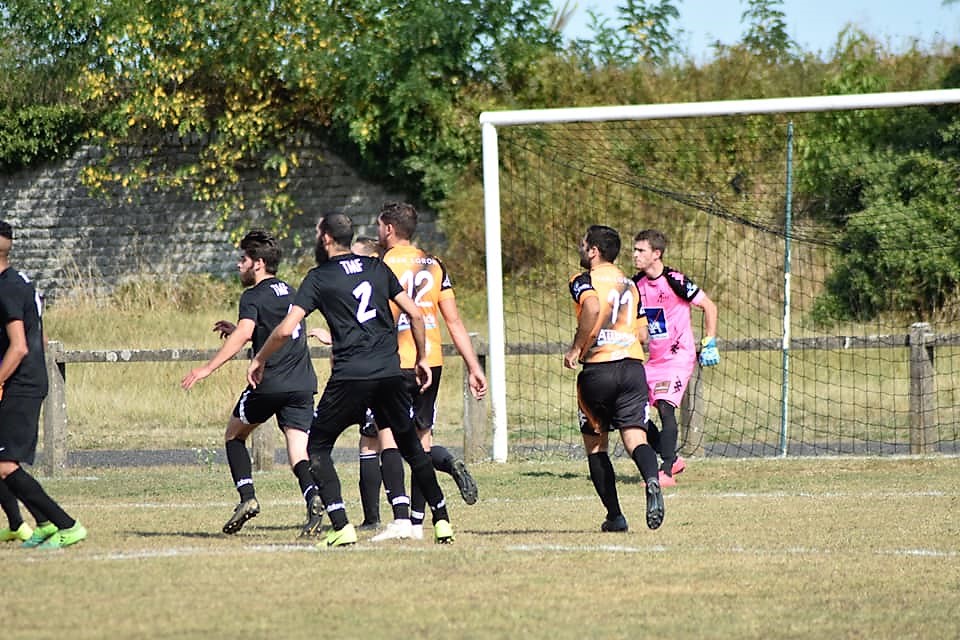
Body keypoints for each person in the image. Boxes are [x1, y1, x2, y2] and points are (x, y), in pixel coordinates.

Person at [247, 212, 455, 547]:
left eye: (318, 233)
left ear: (326, 238)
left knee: (316, 447)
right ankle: (442, 521)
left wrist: (259, 358)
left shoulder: (318, 277)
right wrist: (419, 358)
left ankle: (342, 524)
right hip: (389, 372)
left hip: (350, 377)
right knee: (412, 445)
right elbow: (416, 314)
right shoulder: (376, 267)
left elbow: (286, 329)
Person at [181, 230, 322, 537]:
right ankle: (313, 498)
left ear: (257, 264)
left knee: (234, 435)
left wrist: (207, 368)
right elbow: (275, 330)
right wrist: (240, 329)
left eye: (242, 259)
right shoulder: (293, 291)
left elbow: (247, 333)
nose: (238, 265)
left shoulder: (253, 296)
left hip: (270, 382)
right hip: (302, 383)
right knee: (298, 449)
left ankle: (247, 498)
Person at [368, 201, 487, 541]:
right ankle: (420, 521)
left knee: (387, 434)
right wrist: (474, 366)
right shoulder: (434, 264)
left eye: (379, 226)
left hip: (397, 359)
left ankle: (401, 519)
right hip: (431, 360)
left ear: (389, 228)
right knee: (422, 438)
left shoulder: (383, 263)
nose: (378, 232)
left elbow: (385, 316)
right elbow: (454, 321)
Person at [564, 224, 663, 532]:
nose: (581, 249)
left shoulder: (582, 280)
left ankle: (616, 516)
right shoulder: (630, 285)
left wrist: (577, 347)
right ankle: (651, 481)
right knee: (636, 439)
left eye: (583, 244)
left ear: (594, 251)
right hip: (633, 367)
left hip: (599, 369)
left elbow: (592, 307)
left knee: (596, 447)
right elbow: (644, 334)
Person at [0, 219, 87, 548]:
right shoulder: (20, 281)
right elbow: (40, 333)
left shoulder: (5, 287)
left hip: (21, 382)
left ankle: (67, 525)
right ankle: (43, 524)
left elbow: (19, 345)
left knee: (6, 466)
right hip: (27, 378)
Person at [631, 229, 719, 487]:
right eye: (634, 250)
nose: (634, 255)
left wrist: (709, 341)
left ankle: (666, 471)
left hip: (679, 358)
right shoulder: (636, 285)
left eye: (640, 250)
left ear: (656, 254)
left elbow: (709, 306)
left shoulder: (675, 280)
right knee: (631, 411)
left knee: (666, 408)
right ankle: (674, 458)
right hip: (654, 361)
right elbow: (645, 329)